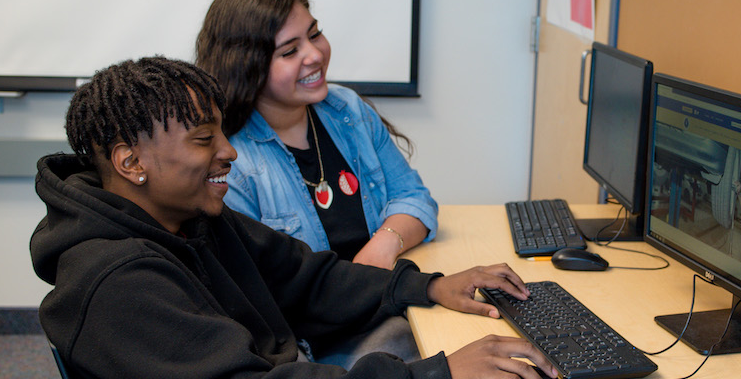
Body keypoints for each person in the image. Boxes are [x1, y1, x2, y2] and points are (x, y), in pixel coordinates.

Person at [30, 56, 556, 379]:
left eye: (223, 134)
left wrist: (428, 287)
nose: (230, 153)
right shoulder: (119, 282)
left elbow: (310, 279)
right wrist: (435, 374)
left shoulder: (191, 220)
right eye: (203, 140)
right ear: (130, 163)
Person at [195, 0, 435, 269]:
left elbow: (413, 197)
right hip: (314, 313)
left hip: (386, 293)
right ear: (246, 67)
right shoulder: (229, 162)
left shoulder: (347, 108)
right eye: (289, 51)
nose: (316, 55)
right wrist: (359, 284)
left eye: (315, 34)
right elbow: (259, 282)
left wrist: (384, 243)